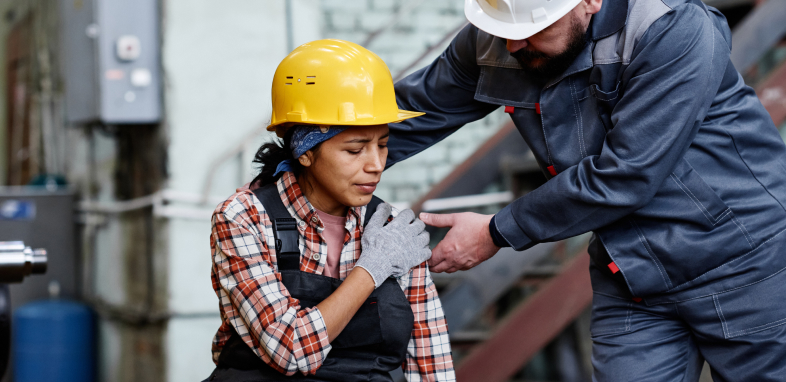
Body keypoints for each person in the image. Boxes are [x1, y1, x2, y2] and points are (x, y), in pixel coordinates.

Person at [388, 0, 786, 380]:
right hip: (631, 277)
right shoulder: (501, 37)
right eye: (502, 30)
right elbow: (409, 112)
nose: (512, 46)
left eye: (533, 30)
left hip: (744, 264)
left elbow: (627, 174)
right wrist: (328, 149)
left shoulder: (670, 25)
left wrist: (496, 231)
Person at [206, 40, 455, 381]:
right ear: (304, 152)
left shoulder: (393, 230)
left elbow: (431, 357)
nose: (376, 165)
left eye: (382, 145)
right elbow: (290, 350)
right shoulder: (244, 219)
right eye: (355, 150)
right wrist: (372, 268)